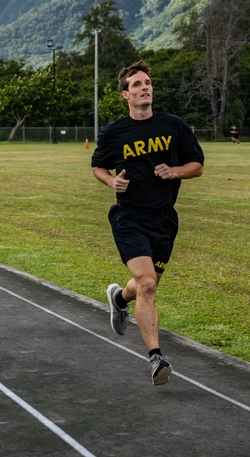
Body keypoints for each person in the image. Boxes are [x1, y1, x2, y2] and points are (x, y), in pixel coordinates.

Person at [91, 60, 205, 386]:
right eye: (138, 84)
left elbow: (197, 165)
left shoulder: (173, 126)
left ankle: (118, 299)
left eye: (148, 83)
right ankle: (156, 358)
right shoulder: (114, 133)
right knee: (149, 283)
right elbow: (98, 166)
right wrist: (111, 182)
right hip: (129, 217)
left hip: (165, 219)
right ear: (125, 94)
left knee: (145, 284)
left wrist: (175, 171)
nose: (145, 87)